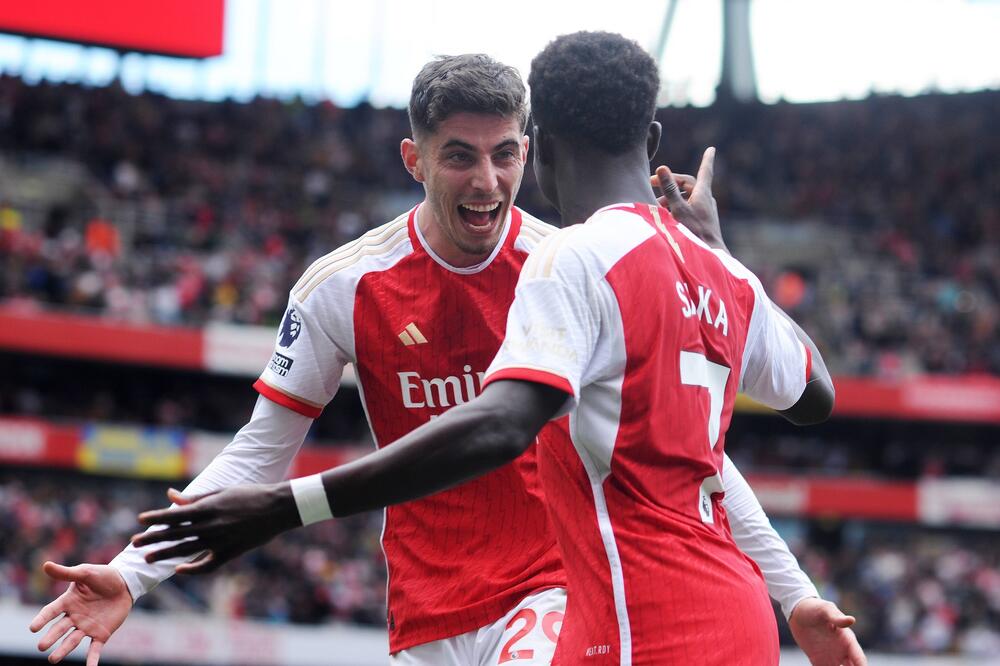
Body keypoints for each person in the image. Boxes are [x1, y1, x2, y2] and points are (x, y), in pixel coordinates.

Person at [31, 51, 863, 666]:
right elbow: (260, 451)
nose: (486, 180)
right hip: (428, 611)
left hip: (554, 592)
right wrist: (132, 574)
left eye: (505, 154)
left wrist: (794, 592)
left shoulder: (569, 266)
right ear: (415, 159)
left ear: (531, 152)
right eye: (460, 155)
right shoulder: (344, 286)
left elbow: (685, 448)